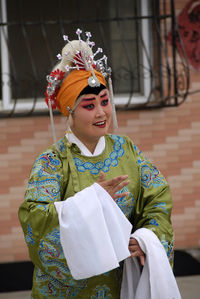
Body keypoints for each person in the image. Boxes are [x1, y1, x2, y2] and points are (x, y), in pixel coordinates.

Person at [18, 29, 180, 299]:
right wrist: (92, 201)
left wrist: (145, 238)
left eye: (105, 102)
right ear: (69, 112)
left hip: (122, 284)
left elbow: (157, 201)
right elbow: (36, 220)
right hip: (67, 292)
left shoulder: (127, 150)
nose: (102, 112)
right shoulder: (52, 162)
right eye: (89, 105)